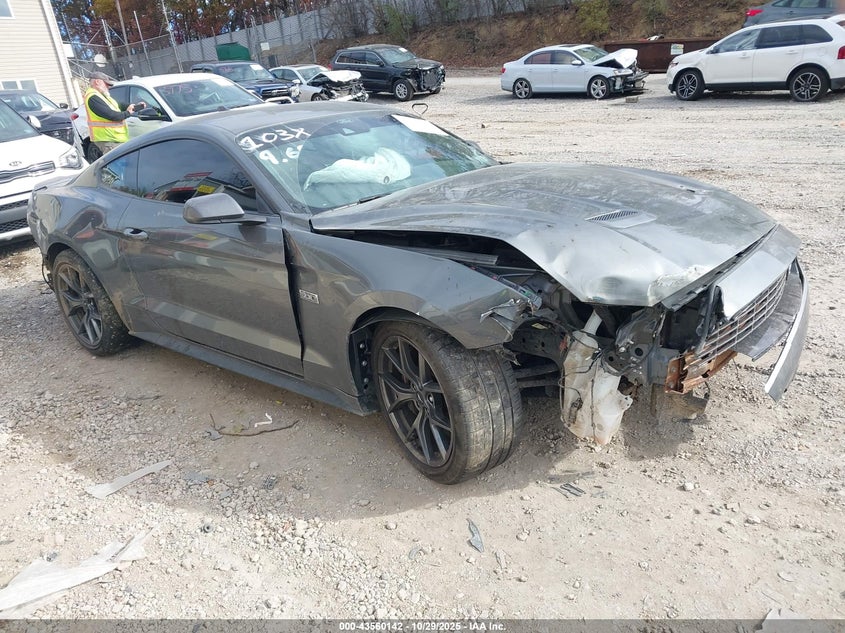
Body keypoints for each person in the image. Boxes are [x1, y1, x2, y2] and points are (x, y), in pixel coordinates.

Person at [84, 71, 146, 156]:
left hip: (113, 139)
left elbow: (117, 105)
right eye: (106, 84)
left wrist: (131, 106)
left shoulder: (100, 95)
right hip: (108, 140)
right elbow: (112, 116)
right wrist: (128, 112)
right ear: (97, 82)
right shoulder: (93, 97)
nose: (108, 87)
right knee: (120, 163)